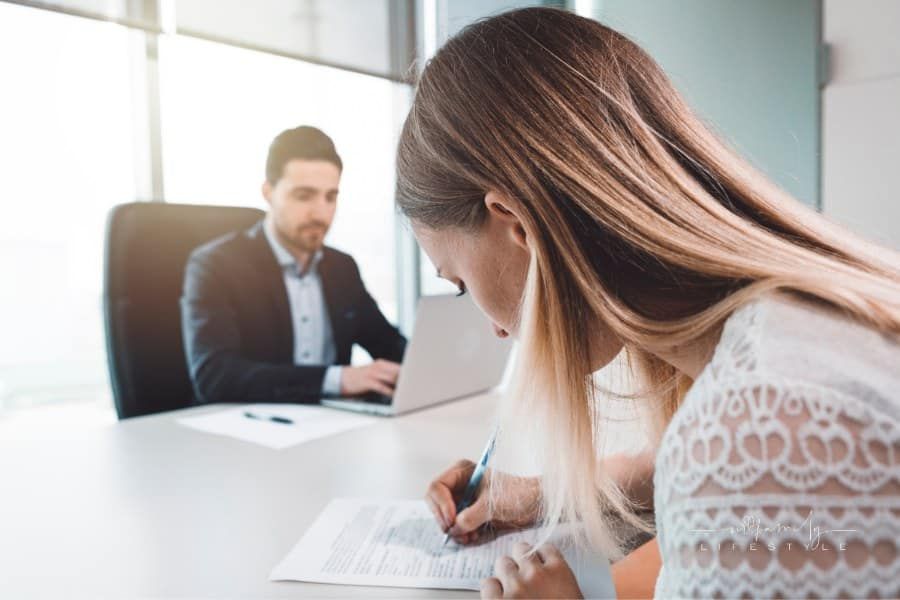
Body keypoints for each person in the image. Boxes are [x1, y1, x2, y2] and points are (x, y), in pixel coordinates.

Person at [397, 8, 900, 599]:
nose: (495, 330)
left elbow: (743, 474)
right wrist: (541, 495)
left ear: (518, 226)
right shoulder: (804, 327)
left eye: (460, 282)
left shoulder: (748, 431)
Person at [181, 126, 406, 405]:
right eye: (304, 196)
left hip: (332, 425)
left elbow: (388, 344)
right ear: (268, 192)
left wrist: (427, 368)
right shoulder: (215, 266)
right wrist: (337, 380)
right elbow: (214, 376)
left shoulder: (341, 268)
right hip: (252, 427)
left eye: (330, 197)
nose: (321, 212)